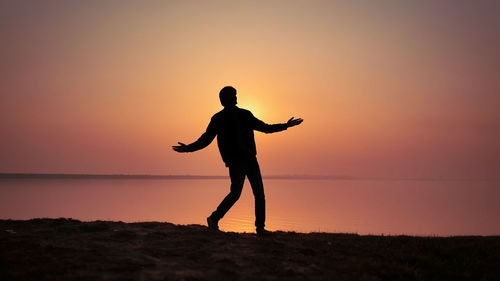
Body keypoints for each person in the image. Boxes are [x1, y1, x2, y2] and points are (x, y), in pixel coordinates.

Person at [172, 86, 303, 236]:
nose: (236, 98)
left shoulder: (244, 114)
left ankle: (259, 228)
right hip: (236, 162)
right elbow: (206, 139)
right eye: (233, 95)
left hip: (250, 160)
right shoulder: (219, 118)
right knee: (237, 193)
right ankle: (215, 218)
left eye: (235, 95)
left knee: (258, 193)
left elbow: (265, 128)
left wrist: (286, 125)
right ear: (225, 99)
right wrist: (188, 148)